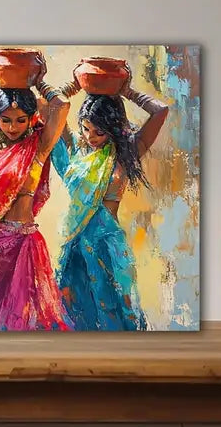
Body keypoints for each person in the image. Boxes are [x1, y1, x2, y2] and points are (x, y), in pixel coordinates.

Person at [0, 53, 72, 331]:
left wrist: (38, 82)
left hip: (22, 245)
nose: (13, 127)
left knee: (22, 322)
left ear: (31, 119)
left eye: (20, 120)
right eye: (5, 120)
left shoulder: (39, 146)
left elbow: (62, 105)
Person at [50, 66, 169, 330]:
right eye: (85, 129)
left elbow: (160, 111)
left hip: (108, 245)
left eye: (99, 132)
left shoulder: (126, 153)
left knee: (117, 309)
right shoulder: (76, 151)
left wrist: (126, 91)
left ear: (113, 129)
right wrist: (75, 86)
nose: (90, 137)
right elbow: (50, 107)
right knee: (77, 310)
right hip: (76, 244)